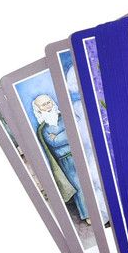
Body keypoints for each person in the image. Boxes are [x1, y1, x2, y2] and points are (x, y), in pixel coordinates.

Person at [32, 94, 90, 224]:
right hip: (66, 160)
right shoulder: (43, 129)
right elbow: (55, 142)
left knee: (92, 180)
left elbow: (77, 130)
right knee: (79, 186)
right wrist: (66, 134)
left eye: (48, 102)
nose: (47, 106)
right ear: (38, 109)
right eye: (43, 105)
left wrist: (59, 136)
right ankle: (88, 214)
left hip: (82, 154)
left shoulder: (64, 117)